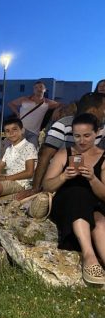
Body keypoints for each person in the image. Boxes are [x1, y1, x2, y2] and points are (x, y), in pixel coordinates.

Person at [43, 113, 105, 285]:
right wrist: (63, 177)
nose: (81, 141)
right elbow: (47, 186)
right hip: (67, 203)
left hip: (95, 205)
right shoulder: (65, 153)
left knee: (99, 221)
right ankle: (89, 255)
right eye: (77, 136)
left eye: (87, 135)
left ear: (96, 133)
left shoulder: (103, 156)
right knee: (78, 192)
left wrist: (93, 179)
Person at [16, 92, 105, 200]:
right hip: (63, 176)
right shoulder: (63, 124)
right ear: (93, 111)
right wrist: (35, 188)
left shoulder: (101, 128)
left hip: (90, 177)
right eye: (104, 109)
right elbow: (45, 155)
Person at [8, 81, 60, 148]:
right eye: (36, 87)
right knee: (16, 151)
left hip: (34, 134)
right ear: (33, 90)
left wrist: (56, 111)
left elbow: (61, 105)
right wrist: (17, 114)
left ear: (45, 89)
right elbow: (10, 104)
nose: (38, 89)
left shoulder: (47, 103)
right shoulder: (24, 99)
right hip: (20, 130)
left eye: (41, 87)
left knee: (32, 154)